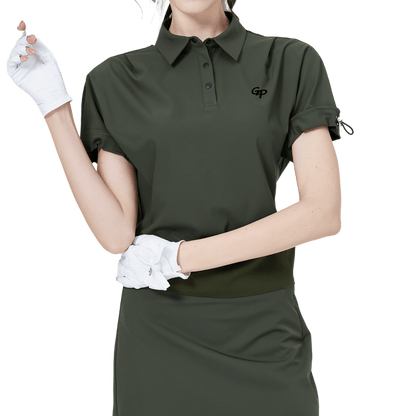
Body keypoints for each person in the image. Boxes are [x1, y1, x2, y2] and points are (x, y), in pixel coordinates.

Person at [5, 0, 355, 414]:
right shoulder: (113, 79)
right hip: (157, 340)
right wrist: (54, 105)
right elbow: (116, 234)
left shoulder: (290, 61)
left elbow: (323, 212)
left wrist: (177, 258)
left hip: (265, 332)